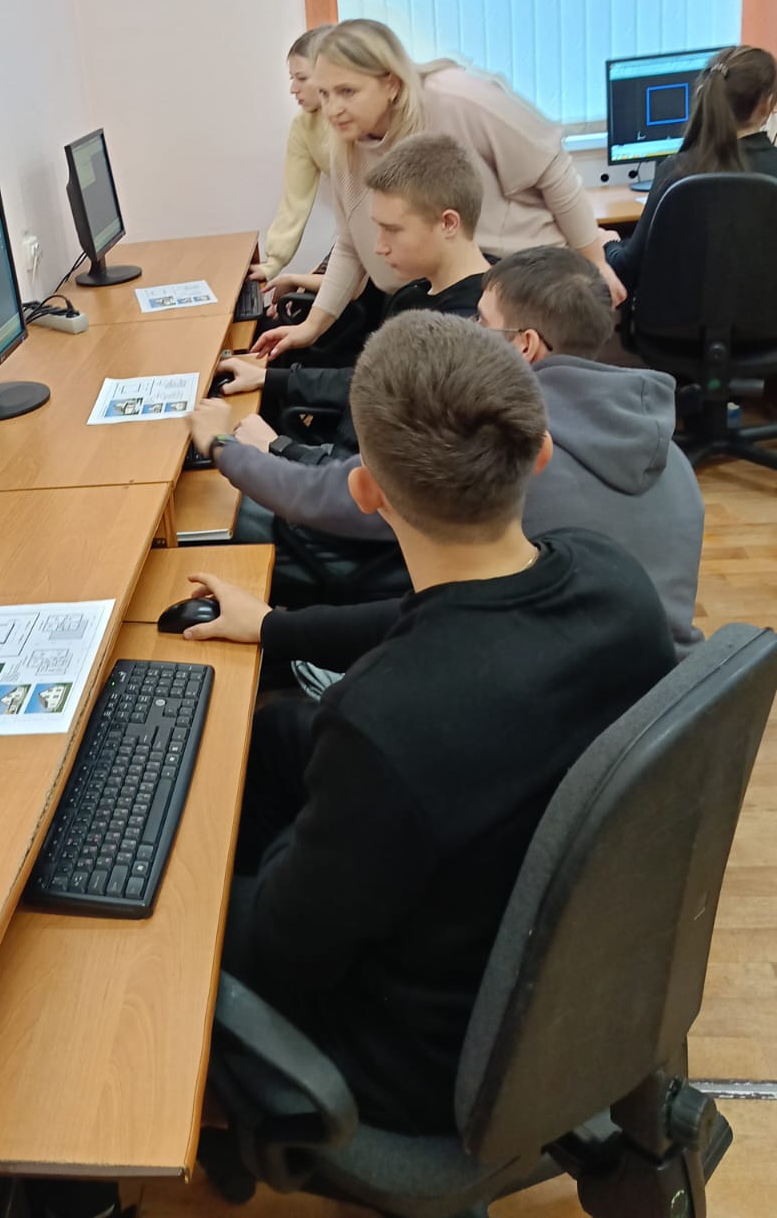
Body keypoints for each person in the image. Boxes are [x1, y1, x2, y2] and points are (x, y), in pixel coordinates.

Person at [219, 312, 675, 1135]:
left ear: (367, 491)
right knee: (276, 739)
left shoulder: (385, 721)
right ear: (539, 455)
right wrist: (274, 628)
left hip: (423, 1060)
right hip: (540, 953)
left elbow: (286, 951)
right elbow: (421, 615)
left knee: (182, 891)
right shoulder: (611, 577)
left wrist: (279, 849)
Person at [188, 248, 703, 668]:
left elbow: (334, 500)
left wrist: (221, 446)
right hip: (657, 695)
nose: (470, 333)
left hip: (557, 699)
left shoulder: (501, 439)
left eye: (482, 323)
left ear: (525, 346)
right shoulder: (665, 449)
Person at [190, 132, 491, 603]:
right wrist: (269, 378)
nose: (379, 247)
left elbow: (375, 487)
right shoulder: (419, 294)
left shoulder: (465, 330)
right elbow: (365, 383)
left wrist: (272, 447)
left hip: (348, 533)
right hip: (338, 475)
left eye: (392, 230)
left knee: (198, 525)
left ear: (448, 223)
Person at [253, 19, 625, 364]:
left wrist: (595, 260)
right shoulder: (345, 140)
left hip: (518, 284)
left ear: (391, 83)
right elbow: (351, 246)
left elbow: (551, 166)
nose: (333, 108)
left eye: (347, 91)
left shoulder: (455, 97)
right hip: (439, 296)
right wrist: (312, 326)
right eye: (325, 94)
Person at [603, 44, 777, 291]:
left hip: (675, 317)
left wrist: (609, 243)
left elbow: (628, 270)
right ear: (767, 105)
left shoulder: (676, 171)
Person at [248, 27, 335, 285]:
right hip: (357, 239)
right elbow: (295, 200)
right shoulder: (303, 126)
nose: (292, 89)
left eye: (301, 78)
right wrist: (272, 264)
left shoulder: (362, 119)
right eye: (292, 78)